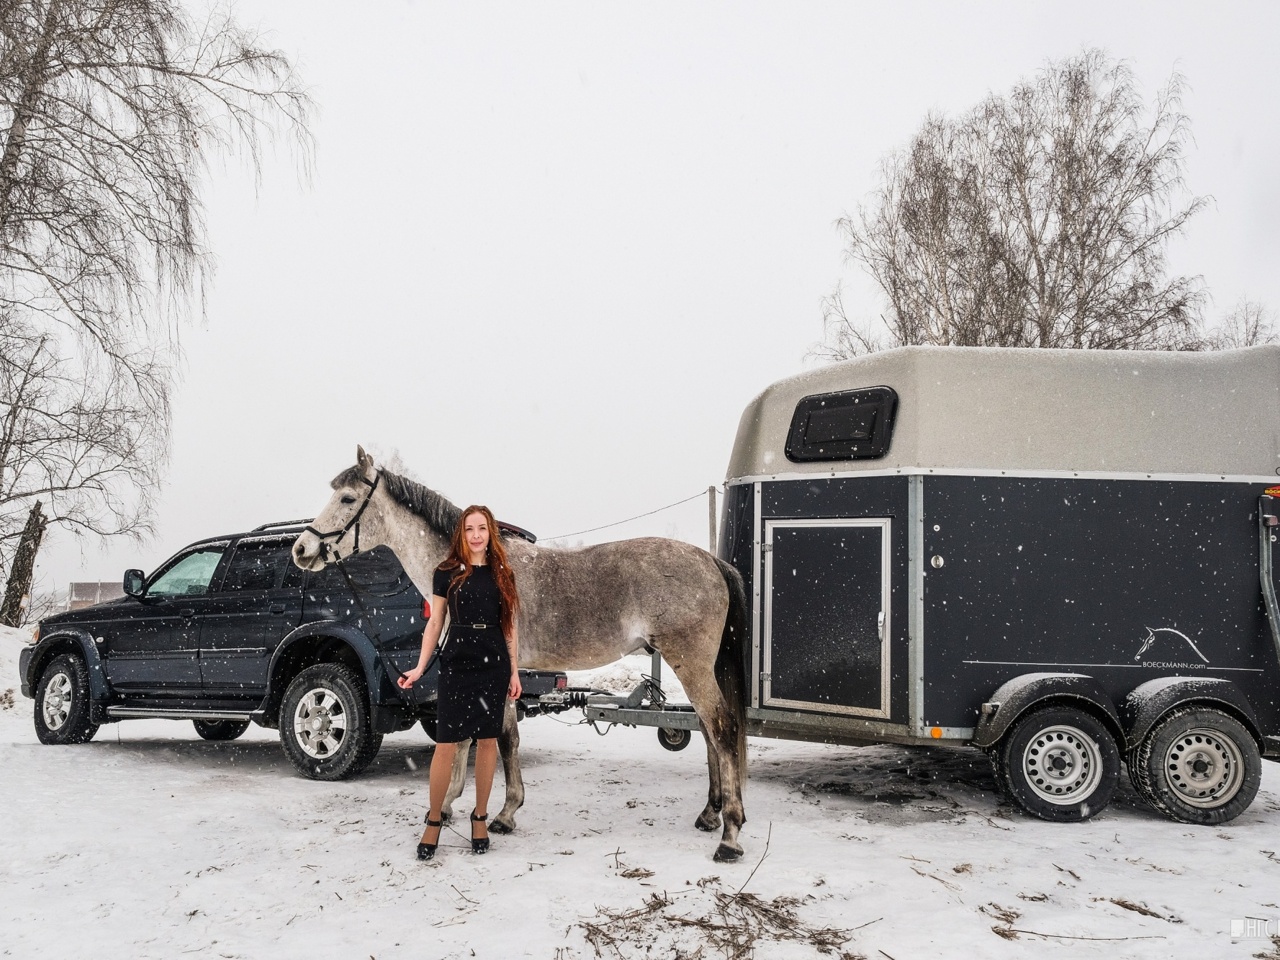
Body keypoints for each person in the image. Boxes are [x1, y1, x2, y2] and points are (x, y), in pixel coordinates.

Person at [397, 505, 521, 859]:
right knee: (446, 744)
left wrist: (513, 671)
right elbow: (435, 623)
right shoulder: (447, 572)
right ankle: (434, 820)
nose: (476, 535)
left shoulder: (503, 574)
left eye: (482, 528)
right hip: (458, 659)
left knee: (486, 742)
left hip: (493, 662)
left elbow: (509, 627)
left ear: (491, 533)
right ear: (461, 534)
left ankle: (479, 817)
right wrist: (420, 667)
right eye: (470, 529)